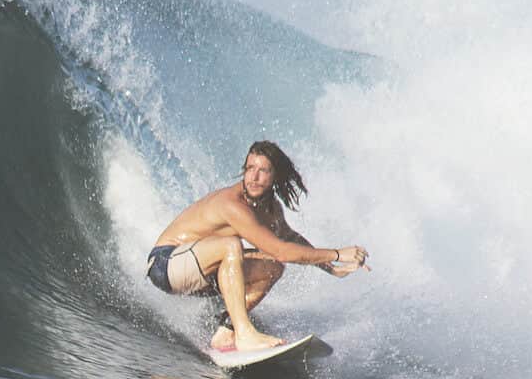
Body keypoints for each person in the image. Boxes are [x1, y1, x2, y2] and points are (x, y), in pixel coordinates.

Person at [146, 140, 368, 352]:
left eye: (263, 171)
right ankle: (245, 334)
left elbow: (289, 239)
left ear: (275, 176)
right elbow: (281, 251)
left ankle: (227, 330)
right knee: (232, 246)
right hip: (166, 264)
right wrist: (339, 253)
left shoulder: (270, 207)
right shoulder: (232, 205)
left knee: (272, 266)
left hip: (201, 272)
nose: (254, 176)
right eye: (250, 168)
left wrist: (332, 267)